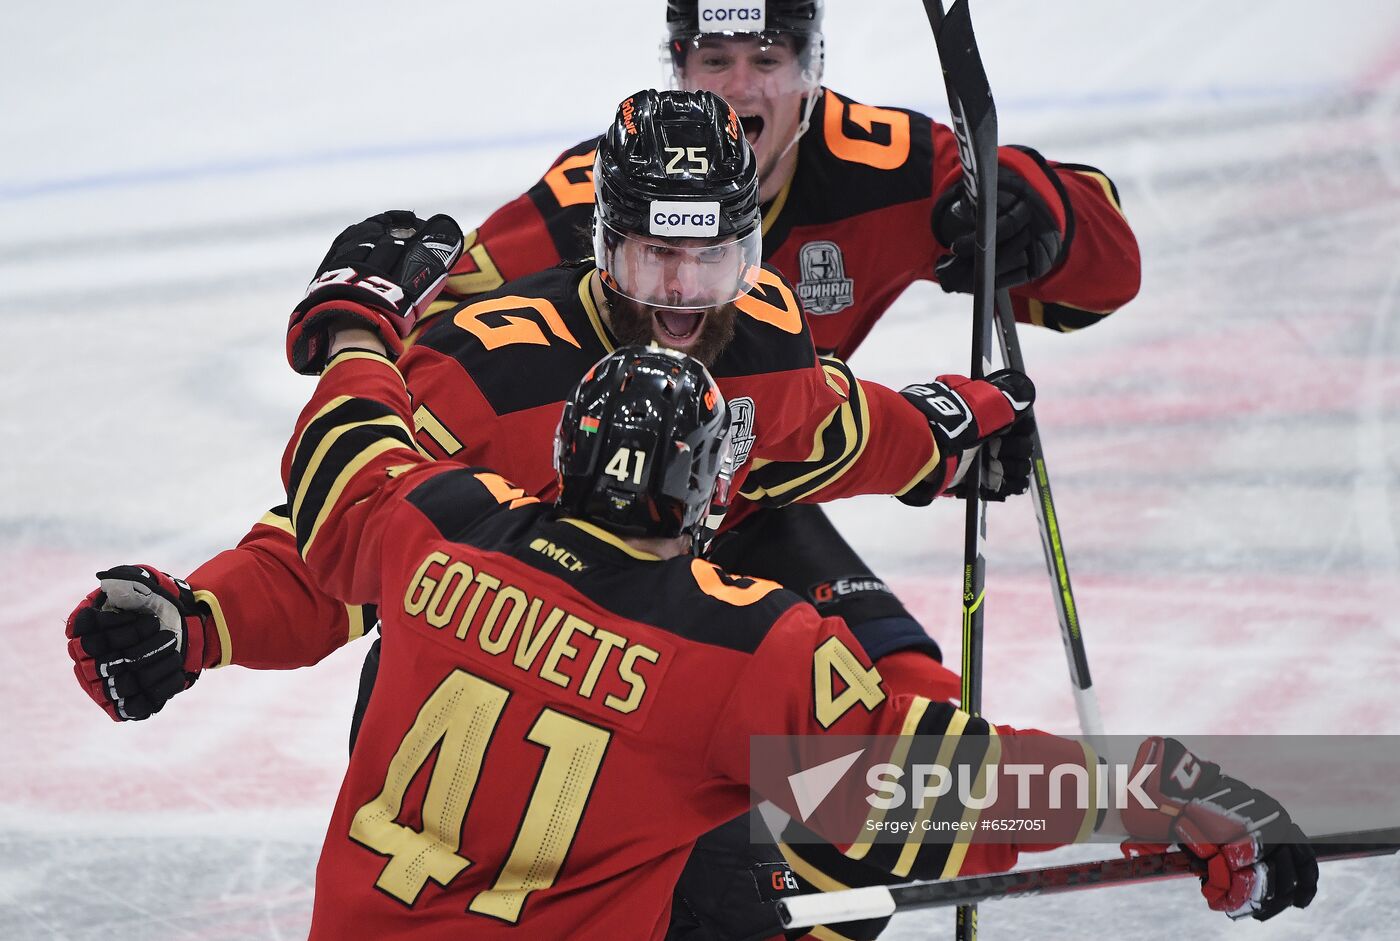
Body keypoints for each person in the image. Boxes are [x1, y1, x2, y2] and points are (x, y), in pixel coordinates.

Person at [76, 209, 1307, 934]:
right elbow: (941, 787)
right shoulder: (744, 646)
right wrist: (1165, 792)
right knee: (833, 869)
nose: (678, 283)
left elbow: (345, 461)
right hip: (650, 790)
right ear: (713, 484)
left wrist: (353, 319)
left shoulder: (442, 525)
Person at [66, 90, 1038, 939]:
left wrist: (951, 431)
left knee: (848, 820)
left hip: (647, 631)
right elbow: (328, 562)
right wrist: (203, 617)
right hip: (561, 681)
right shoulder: (489, 372)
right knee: (819, 855)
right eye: (655, 256)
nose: (682, 296)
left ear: (747, 252)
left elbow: (825, 429)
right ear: (604, 246)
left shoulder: (761, 330)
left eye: (711, 258)